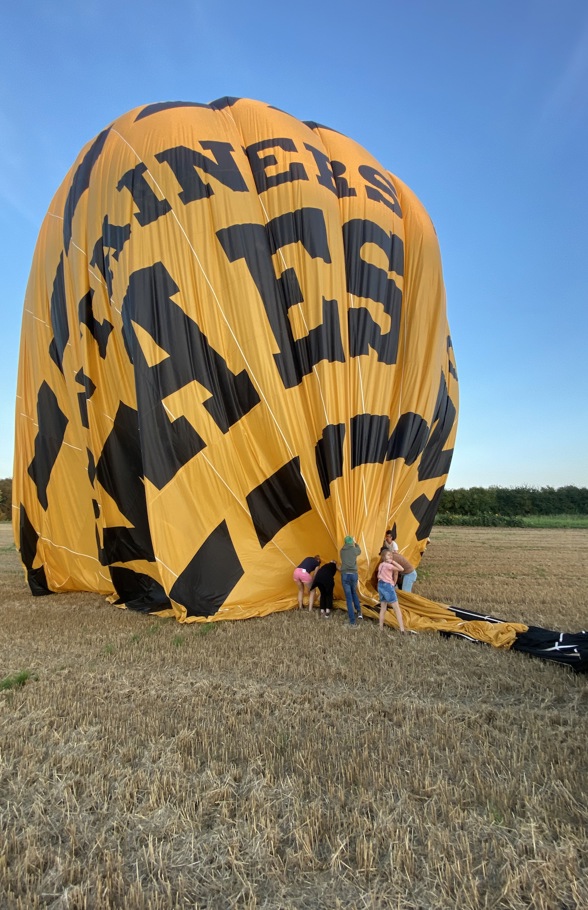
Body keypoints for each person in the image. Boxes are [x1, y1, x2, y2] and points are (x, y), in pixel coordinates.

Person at [377, 550, 406, 633]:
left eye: (391, 555)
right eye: (388, 555)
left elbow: (378, 575)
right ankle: (402, 629)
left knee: (383, 608)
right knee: (396, 608)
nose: (390, 556)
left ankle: (381, 628)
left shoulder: (381, 565)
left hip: (380, 586)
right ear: (384, 557)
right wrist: (393, 562)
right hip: (388, 586)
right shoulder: (388, 566)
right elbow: (401, 569)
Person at [339, 535, 363, 626]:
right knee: (354, 593)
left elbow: (344, 550)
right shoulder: (354, 550)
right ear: (351, 543)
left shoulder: (342, 551)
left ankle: (352, 621)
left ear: (345, 543)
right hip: (353, 574)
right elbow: (359, 550)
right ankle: (359, 612)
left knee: (349, 598)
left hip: (345, 575)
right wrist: (355, 542)